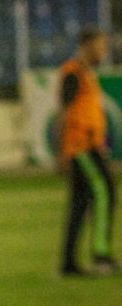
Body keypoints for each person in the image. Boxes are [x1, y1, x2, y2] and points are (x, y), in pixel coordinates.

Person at [59, 27, 118, 276]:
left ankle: (68, 264)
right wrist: (64, 150)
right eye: (100, 45)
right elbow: (65, 112)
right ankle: (101, 254)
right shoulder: (74, 73)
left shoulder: (85, 74)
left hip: (88, 145)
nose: (104, 50)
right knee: (106, 192)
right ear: (86, 45)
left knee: (80, 205)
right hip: (82, 147)